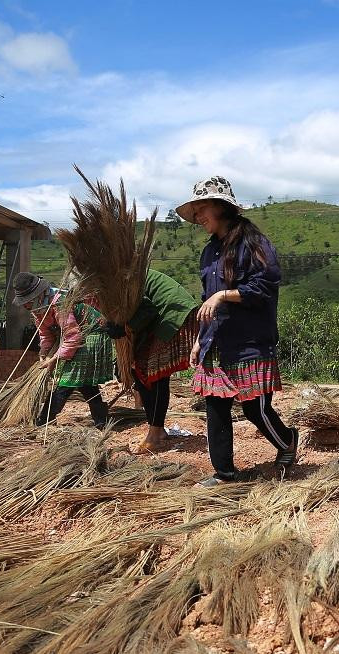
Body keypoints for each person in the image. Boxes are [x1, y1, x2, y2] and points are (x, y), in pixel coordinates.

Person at [175, 175, 298, 485]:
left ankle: (287, 441)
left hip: (249, 341)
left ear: (220, 207)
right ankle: (225, 474)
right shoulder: (209, 252)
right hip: (216, 342)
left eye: (202, 209)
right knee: (216, 408)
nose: (198, 217)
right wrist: (200, 340)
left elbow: (264, 286)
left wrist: (223, 295)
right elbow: (207, 300)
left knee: (255, 408)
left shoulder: (253, 244)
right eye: (195, 212)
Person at [103, 268, 200, 453]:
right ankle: (157, 430)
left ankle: (155, 435)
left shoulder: (119, 279)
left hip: (171, 315)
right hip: (160, 317)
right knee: (140, 372)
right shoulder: (115, 278)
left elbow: (147, 310)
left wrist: (125, 327)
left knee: (154, 375)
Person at [12, 272, 112, 428]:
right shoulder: (39, 310)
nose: (25, 306)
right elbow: (46, 335)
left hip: (91, 335)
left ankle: (45, 419)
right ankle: (102, 420)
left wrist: (54, 359)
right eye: (23, 303)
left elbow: (73, 336)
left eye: (27, 301)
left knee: (67, 379)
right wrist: (43, 354)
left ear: (38, 295)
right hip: (76, 338)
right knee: (85, 383)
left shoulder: (60, 304)